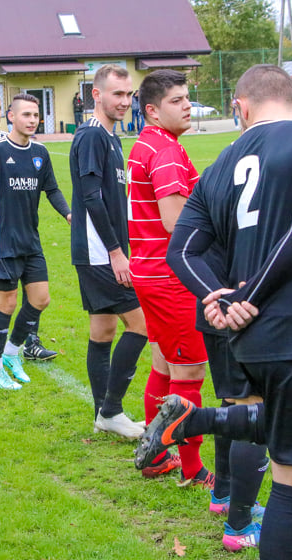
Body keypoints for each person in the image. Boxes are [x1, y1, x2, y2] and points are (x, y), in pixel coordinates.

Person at [138, 64, 292, 560]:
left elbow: (181, 251)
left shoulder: (220, 163)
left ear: (240, 107)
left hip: (242, 335)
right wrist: (245, 296)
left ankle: (201, 419)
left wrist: (222, 298)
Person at [128, 69, 211, 486]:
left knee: (163, 362)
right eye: (177, 100)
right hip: (170, 275)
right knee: (191, 373)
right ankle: (193, 470)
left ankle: (156, 456)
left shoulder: (146, 144)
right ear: (153, 111)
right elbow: (174, 218)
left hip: (149, 270)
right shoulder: (166, 151)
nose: (187, 106)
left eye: (186, 98)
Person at [0, 93, 71, 390]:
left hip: (30, 240)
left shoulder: (41, 152)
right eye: (26, 115)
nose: (32, 120)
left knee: (40, 299)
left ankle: (11, 351)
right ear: (12, 117)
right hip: (1, 241)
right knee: (7, 303)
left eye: (35, 115)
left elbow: (53, 190)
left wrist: (69, 214)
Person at [69, 64, 148, 440]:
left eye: (129, 94)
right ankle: (112, 409)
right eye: (117, 94)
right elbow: (90, 196)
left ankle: (104, 412)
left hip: (104, 250)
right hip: (100, 253)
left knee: (103, 329)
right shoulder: (91, 136)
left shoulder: (113, 139)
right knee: (142, 324)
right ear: (96, 95)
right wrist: (117, 251)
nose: (125, 101)